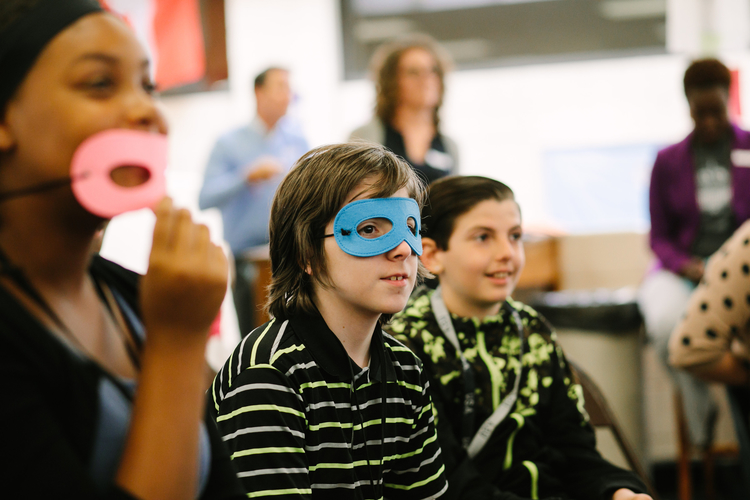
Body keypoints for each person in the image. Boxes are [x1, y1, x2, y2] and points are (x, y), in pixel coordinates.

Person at [0, 1, 245, 498]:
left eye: (147, 85)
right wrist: (176, 344)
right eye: (99, 83)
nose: (148, 111)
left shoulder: (131, 294)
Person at [386, 176, 651, 500]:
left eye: (515, 236)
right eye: (483, 237)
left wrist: (617, 490)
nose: (507, 253)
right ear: (431, 255)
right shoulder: (408, 344)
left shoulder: (532, 330)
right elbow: (449, 479)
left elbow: (576, 455)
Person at [208, 142, 449, 499]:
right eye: (369, 230)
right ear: (308, 253)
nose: (402, 249)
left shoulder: (406, 370)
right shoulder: (269, 376)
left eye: (409, 227)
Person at [637, 58, 750, 448]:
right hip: (684, 269)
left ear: (728, 100)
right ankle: (701, 417)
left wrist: (728, 265)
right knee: (668, 323)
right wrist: (686, 266)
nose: (710, 122)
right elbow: (658, 236)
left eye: (716, 111)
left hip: (741, 268)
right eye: (700, 113)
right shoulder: (667, 161)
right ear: (687, 105)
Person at [199, 66, 308, 336]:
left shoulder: (297, 140)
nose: (287, 95)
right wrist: (246, 176)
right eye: (280, 86)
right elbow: (205, 197)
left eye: (289, 88)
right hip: (247, 260)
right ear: (259, 92)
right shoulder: (229, 143)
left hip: (292, 256)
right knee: (254, 337)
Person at [349, 34, 458, 185]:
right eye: (413, 72)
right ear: (391, 81)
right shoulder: (364, 138)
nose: (426, 79)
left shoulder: (449, 146)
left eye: (432, 71)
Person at [669, 219, 750, 385]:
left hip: (722, 260)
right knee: (664, 323)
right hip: (681, 267)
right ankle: (701, 409)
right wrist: (682, 265)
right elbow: (687, 351)